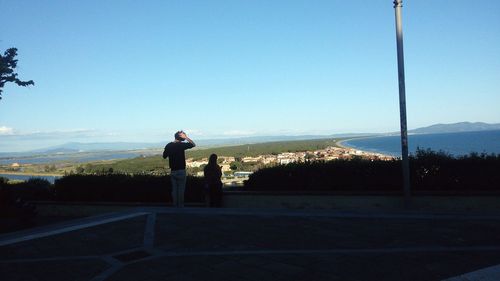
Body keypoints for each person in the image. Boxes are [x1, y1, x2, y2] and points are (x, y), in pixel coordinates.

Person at [163, 131, 195, 207]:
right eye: (184, 135)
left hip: (173, 170)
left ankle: (175, 205)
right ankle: (180, 206)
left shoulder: (169, 145)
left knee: (174, 190)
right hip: (181, 170)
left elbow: (164, 156)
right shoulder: (181, 145)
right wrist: (186, 137)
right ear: (181, 137)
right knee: (181, 190)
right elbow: (193, 144)